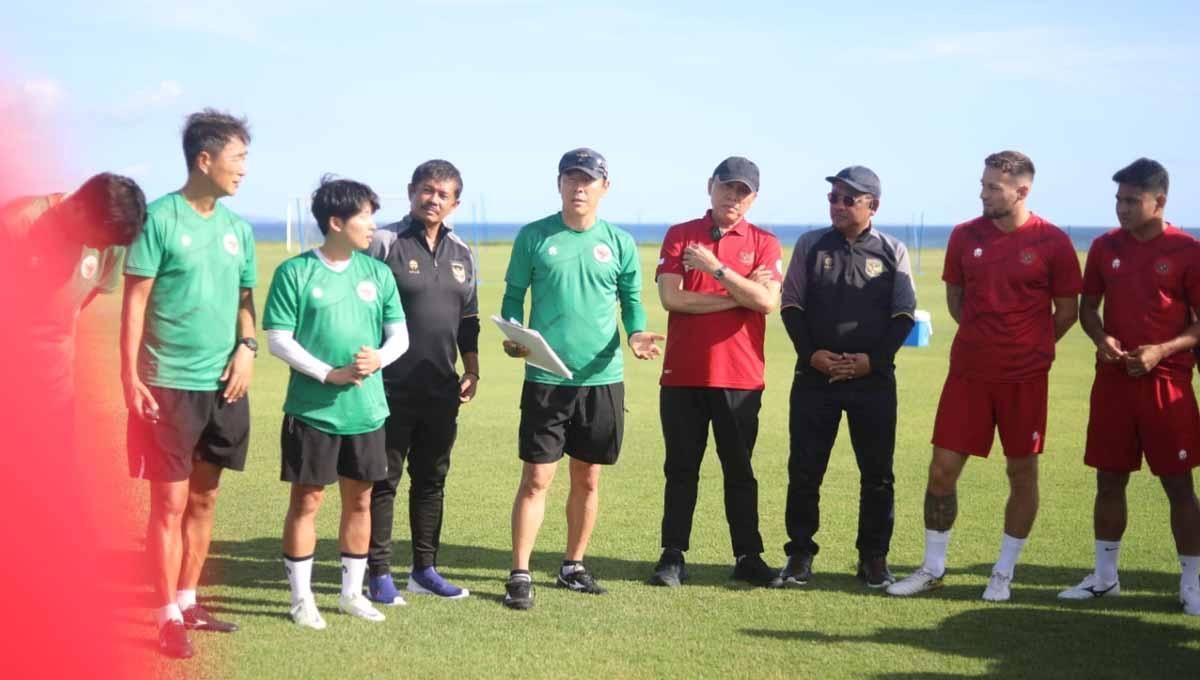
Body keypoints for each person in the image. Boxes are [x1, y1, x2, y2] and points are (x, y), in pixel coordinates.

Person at [888, 151, 1082, 602]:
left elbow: (1068, 312)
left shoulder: (1052, 241)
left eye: (993, 186)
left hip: (1025, 379)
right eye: (984, 183)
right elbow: (957, 301)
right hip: (969, 375)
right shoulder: (963, 236)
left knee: (1022, 472)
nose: (983, 192)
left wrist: (1029, 347)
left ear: (1022, 190)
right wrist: (984, 339)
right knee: (941, 471)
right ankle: (933, 568)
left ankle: (1003, 572)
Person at [499, 148, 663, 610]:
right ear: (558, 184)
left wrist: (635, 335)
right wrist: (513, 333)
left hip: (601, 378)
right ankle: (520, 572)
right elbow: (513, 296)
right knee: (536, 477)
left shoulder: (620, 242)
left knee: (587, 478)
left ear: (604, 187)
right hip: (546, 376)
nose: (579, 187)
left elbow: (632, 301)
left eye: (588, 180)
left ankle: (573, 565)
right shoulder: (534, 236)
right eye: (571, 179)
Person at [122, 110, 256, 659]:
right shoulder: (158, 219)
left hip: (224, 385)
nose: (244, 169)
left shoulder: (239, 229)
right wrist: (129, 378)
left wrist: (247, 350)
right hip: (168, 384)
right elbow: (134, 305)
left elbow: (248, 303)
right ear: (205, 159)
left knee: (205, 497)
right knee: (169, 504)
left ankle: (188, 599)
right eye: (238, 158)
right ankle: (163, 617)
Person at [263, 177, 409, 629]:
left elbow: (400, 335)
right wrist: (328, 373)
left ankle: (350, 594)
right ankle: (301, 598)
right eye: (365, 215)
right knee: (307, 502)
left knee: (361, 502)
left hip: (366, 412)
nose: (372, 225)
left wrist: (378, 358)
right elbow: (278, 339)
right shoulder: (295, 272)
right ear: (336, 222)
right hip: (313, 411)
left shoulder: (378, 273)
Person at [1057, 158, 1200, 616]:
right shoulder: (1103, 247)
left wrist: (1162, 349)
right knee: (1108, 480)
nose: (1121, 208)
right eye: (1117, 199)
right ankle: (1104, 578)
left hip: (1167, 384)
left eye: (1131, 200)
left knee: (1178, 486)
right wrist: (1102, 340)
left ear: (1159, 201)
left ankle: (1193, 583)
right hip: (1114, 383)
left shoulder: (1187, 251)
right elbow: (1088, 308)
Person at [777, 166, 917, 589]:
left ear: (872, 205)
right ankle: (799, 556)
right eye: (833, 198)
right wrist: (812, 354)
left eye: (847, 199)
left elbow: (903, 315)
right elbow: (791, 305)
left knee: (877, 474)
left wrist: (870, 362)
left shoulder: (892, 250)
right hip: (815, 378)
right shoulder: (810, 244)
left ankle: (873, 558)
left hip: (872, 381)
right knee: (805, 471)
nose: (837, 205)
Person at [649, 156, 782, 588]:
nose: (733, 197)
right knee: (681, 468)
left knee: (739, 470)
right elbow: (674, 299)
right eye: (727, 187)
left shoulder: (765, 242)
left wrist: (716, 271)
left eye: (743, 192)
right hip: (684, 373)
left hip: (740, 377)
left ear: (754, 198)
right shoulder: (680, 235)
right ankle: (673, 555)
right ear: (711, 185)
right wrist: (740, 292)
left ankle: (748, 556)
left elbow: (767, 303)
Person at [365, 160, 479, 603]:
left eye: (443, 194)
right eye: (427, 190)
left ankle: (424, 569)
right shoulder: (384, 242)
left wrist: (472, 370)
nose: (434, 199)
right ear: (411, 190)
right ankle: (378, 572)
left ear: (455, 202)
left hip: (441, 387)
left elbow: (468, 319)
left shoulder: (463, 253)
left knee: (432, 478)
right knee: (384, 478)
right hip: (388, 386)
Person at [0, 172, 146, 416]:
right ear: (78, 207)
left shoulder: (110, 245)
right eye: (97, 240)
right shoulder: (16, 223)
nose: (100, 249)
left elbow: (77, 305)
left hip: (56, 391)